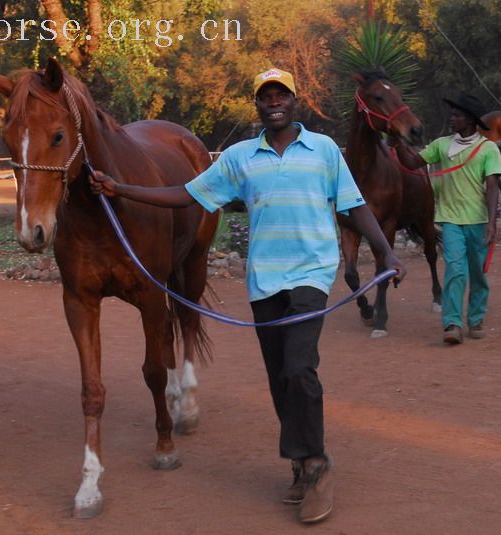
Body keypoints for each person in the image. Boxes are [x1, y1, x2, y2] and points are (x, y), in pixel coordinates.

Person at [90, 67, 404, 523]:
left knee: (300, 368)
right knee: (280, 376)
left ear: (295, 101)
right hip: (263, 281)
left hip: (311, 275)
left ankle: (316, 464)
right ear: (257, 104)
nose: (273, 101)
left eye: (281, 94)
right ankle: (299, 463)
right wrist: (123, 189)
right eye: (265, 96)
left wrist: (387, 253)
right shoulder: (240, 157)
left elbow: (352, 206)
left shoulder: (322, 152)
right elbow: (188, 195)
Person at [391, 93, 501, 345]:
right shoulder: (442, 145)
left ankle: (475, 318)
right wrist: (398, 142)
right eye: (452, 114)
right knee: (455, 269)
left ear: (471, 120)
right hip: (450, 220)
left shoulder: (488, 149)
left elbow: (493, 186)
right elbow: (411, 163)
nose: (452, 118)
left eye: (457, 115)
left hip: (478, 221)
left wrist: (492, 223)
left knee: (477, 273)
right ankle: (452, 323)